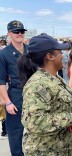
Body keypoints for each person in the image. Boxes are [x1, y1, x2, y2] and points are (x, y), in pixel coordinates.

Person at [18, 34, 72, 155]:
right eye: (60, 52)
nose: (63, 56)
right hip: (45, 151)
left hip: (60, 148)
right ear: (50, 56)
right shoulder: (37, 84)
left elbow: (58, 100)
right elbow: (34, 121)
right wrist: (71, 118)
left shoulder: (53, 78)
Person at [0, 20, 28, 156]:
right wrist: (7, 101)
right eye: (16, 31)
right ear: (9, 34)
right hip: (15, 96)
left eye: (22, 31)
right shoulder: (4, 54)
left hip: (34, 96)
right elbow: (0, 81)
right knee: (16, 136)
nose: (20, 34)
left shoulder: (31, 50)